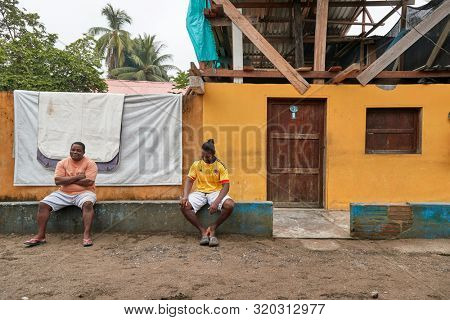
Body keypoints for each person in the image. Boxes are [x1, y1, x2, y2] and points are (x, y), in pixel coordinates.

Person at [24, 142, 98, 247]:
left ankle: (87, 236)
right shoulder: (62, 163)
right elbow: (58, 181)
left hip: (85, 192)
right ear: (70, 150)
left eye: (78, 150)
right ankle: (41, 236)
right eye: (73, 149)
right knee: (43, 204)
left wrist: (66, 180)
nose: (75, 152)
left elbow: (89, 182)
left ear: (83, 152)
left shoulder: (90, 163)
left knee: (88, 204)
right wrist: (78, 177)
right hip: (63, 193)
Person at [180, 139, 235, 247]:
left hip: (215, 192)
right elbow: (189, 180)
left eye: (207, 155)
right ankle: (203, 232)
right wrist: (185, 196)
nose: (204, 157)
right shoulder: (196, 164)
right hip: (200, 192)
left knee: (230, 205)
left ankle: (213, 228)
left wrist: (216, 203)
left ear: (211, 154)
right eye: (202, 154)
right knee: (184, 205)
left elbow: (226, 186)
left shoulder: (220, 166)